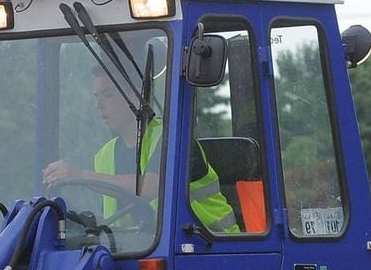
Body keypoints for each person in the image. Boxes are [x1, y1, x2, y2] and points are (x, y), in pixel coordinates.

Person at [42, 71, 238, 235]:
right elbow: (117, 220)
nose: (99, 104)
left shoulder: (174, 138)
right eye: (96, 96)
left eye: (108, 95)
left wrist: (78, 175)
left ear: (135, 96)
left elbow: (151, 187)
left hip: (211, 246)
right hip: (141, 249)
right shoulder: (104, 155)